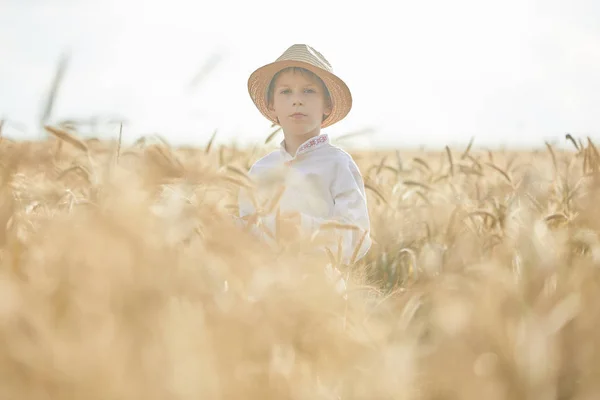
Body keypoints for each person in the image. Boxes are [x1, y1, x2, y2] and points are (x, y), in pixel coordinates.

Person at [238, 44, 372, 270]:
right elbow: (247, 234)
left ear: (327, 105)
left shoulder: (337, 164)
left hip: (321, 295)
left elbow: (357, 237)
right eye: (286, 92)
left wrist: (305, 228)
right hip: (267, 294)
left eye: (308, 91)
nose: (297, 100)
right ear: (272, 106)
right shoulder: (261, 170)